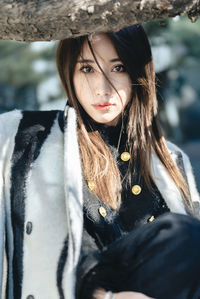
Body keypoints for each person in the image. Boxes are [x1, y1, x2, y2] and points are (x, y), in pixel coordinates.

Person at [0, 24, 200, 299]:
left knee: (184, 234)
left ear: (138, 73)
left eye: (118, 68)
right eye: (87, 68)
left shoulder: (171, 160)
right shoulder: (28, 137)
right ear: (68, 70)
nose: (101, 88)